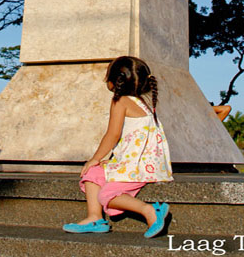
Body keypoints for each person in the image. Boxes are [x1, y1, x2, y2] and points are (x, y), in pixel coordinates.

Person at [62, 55, 173, 238]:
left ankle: (150, 211)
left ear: (113, 81)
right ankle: (94, 217)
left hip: (138, 166)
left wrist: (95, 158)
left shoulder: (120, 101)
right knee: (93, 173)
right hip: (138, 161)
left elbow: (112, 134)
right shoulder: (142, 102)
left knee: (106, 195)